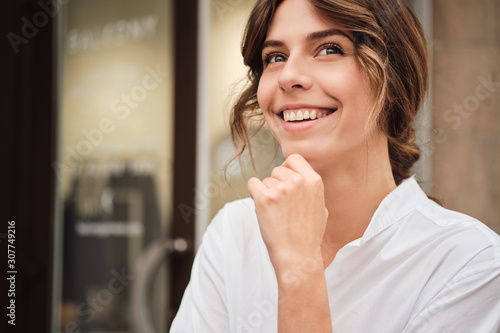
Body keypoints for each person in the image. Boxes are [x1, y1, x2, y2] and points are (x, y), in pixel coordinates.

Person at [170, 0, 500, 331]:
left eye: (329, 49)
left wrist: (299, 268)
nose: (289, 76)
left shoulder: (471, 263)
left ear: (392, 80)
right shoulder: (233, 233)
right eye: (275, 57)